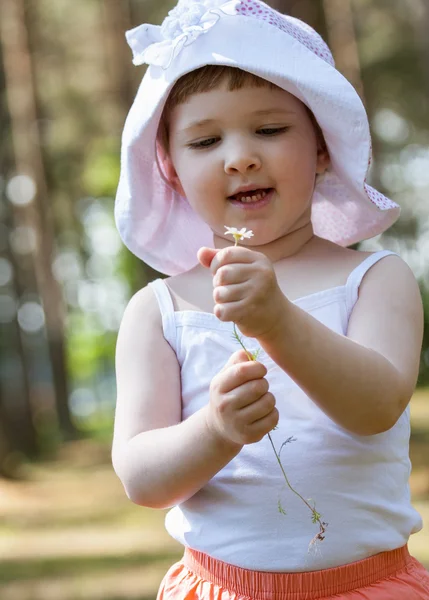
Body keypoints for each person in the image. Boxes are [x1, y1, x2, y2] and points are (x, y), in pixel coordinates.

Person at [112, 0, 429, 598]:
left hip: (366, 585)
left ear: (321, 148)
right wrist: (215, 429)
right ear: (171, 172)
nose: (240, 156)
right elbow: (141, 478)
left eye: (270, 129)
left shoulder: (376, 278)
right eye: (205, 140)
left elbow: (376, 406)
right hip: (219, 587)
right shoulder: (159, 312)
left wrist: (277, 321)